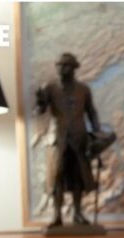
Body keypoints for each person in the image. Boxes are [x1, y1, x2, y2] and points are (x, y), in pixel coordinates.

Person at [36, 53, 101, 228]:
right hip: (58, 139)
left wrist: (97, 133)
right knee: (57, 176)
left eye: (65, 65)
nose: (61, 68)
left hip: (79, 138)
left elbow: (91, 112)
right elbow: (40, 111)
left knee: (78, 176)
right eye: (59, 65)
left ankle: (78, 213)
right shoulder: (50, 88)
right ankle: (57, 215)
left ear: (74, 68)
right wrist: (40, 101)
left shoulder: (83, 89)